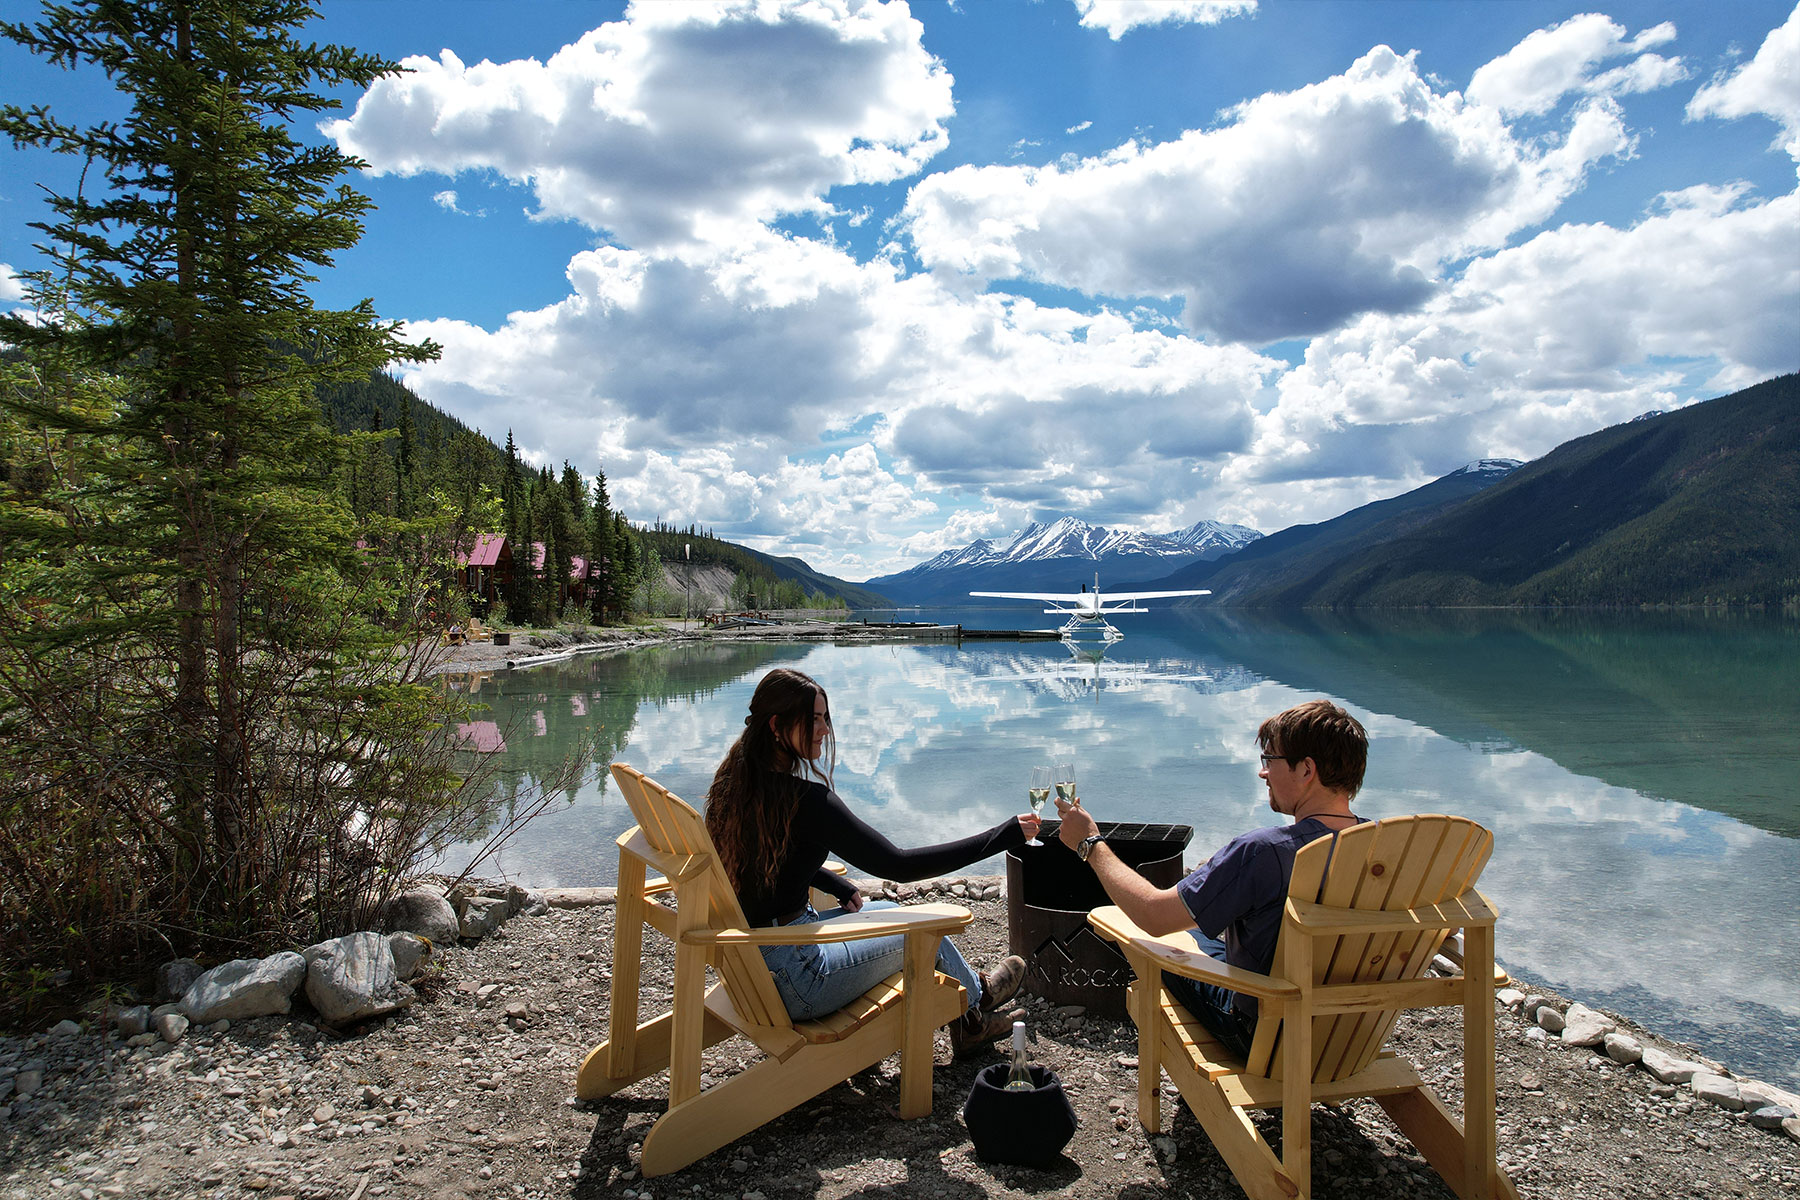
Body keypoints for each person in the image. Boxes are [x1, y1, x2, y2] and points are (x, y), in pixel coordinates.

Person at [706, 667, 1037, 1055]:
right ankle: (977, 1005)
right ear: (777, 726)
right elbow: (898, 865)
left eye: (825, 718)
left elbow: (770, 863)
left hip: (757, 959)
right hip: (799, 979)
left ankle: (972, 1009)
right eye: (813, 719)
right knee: (921, 926)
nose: (824, 729)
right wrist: (1005, 835)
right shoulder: (808, 802)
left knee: (887, 908)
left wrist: (832, 882)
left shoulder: (736, 785)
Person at [1053, 699, 1368, 1059]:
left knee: (1158, 946)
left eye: (1270, 760)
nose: (1263, 773)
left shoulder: (1266, 852)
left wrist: (1090, 844)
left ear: (1306, 769)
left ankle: (1192, 1081)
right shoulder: (1381, 848)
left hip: (1267, 1036)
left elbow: (1155, 916)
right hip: (1350, 1037)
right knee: (1195, 932)